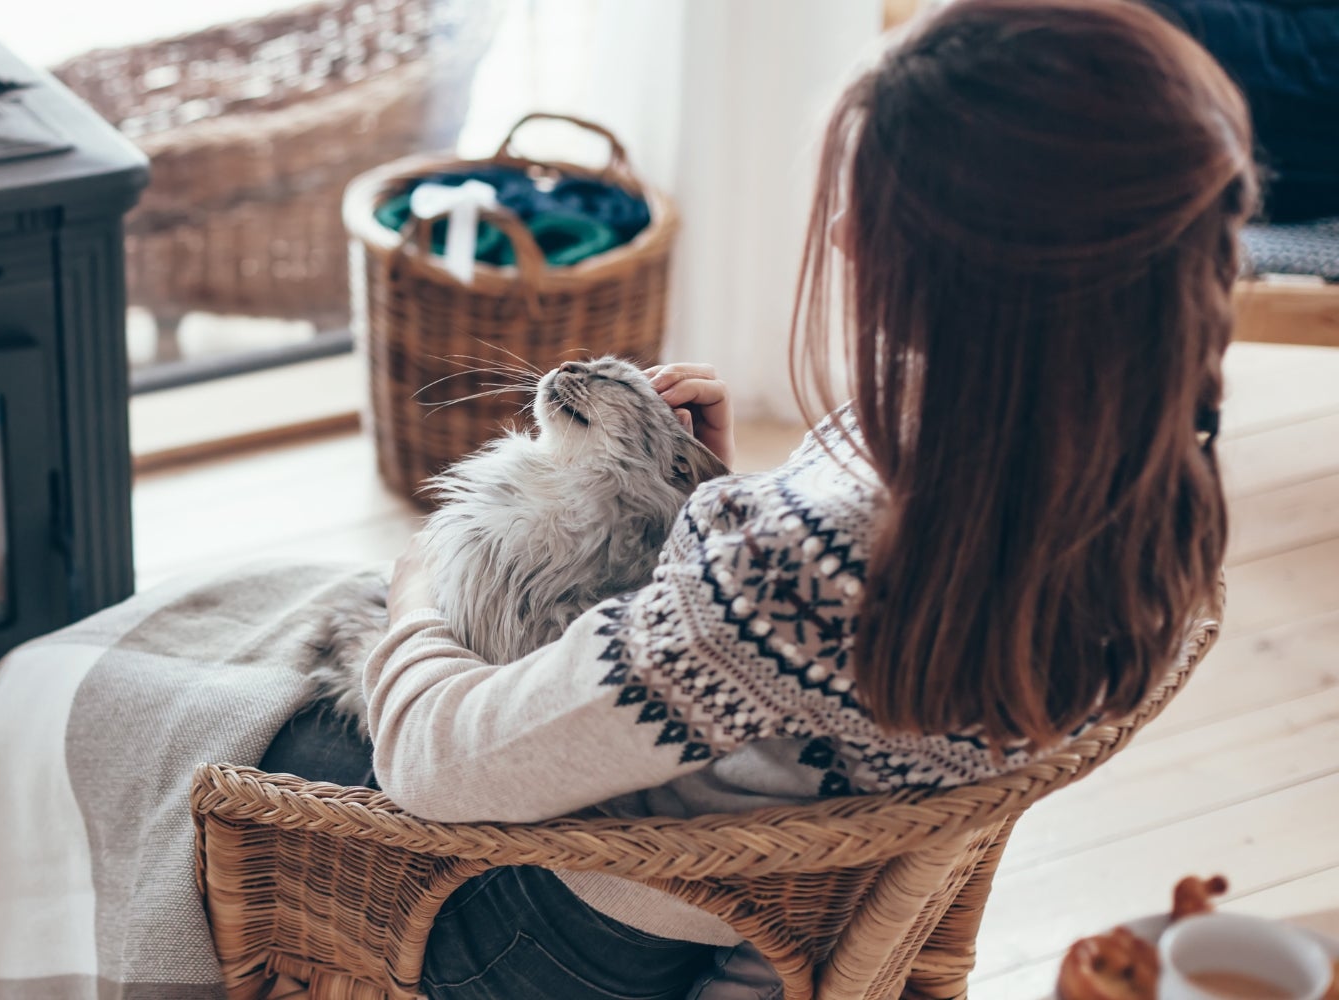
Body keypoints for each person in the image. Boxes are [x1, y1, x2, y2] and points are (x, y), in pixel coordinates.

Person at [259, 1, 1253, 996]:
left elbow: (436, 763)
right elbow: (824, 680)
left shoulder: (797, 570)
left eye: (874, 213)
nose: (842, 237)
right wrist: (722, 507)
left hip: (562, 940)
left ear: (978, 272)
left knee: (235, 709)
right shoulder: (1151, 489)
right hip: (770, 915)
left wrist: (417, 586)